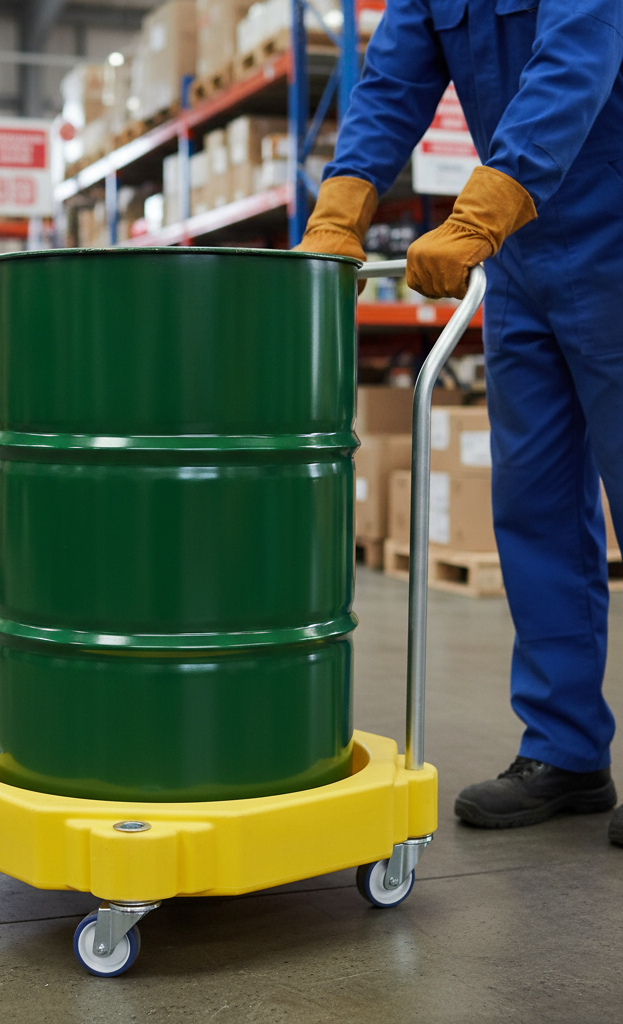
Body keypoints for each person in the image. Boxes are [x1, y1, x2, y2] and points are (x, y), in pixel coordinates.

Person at [294, 0, 623, 846]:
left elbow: (576, 61)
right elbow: (391, 83)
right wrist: (340, 208)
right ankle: (565, 749)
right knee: (535, 507)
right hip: (519, 261)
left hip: (603, 235)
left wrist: (482, 209)